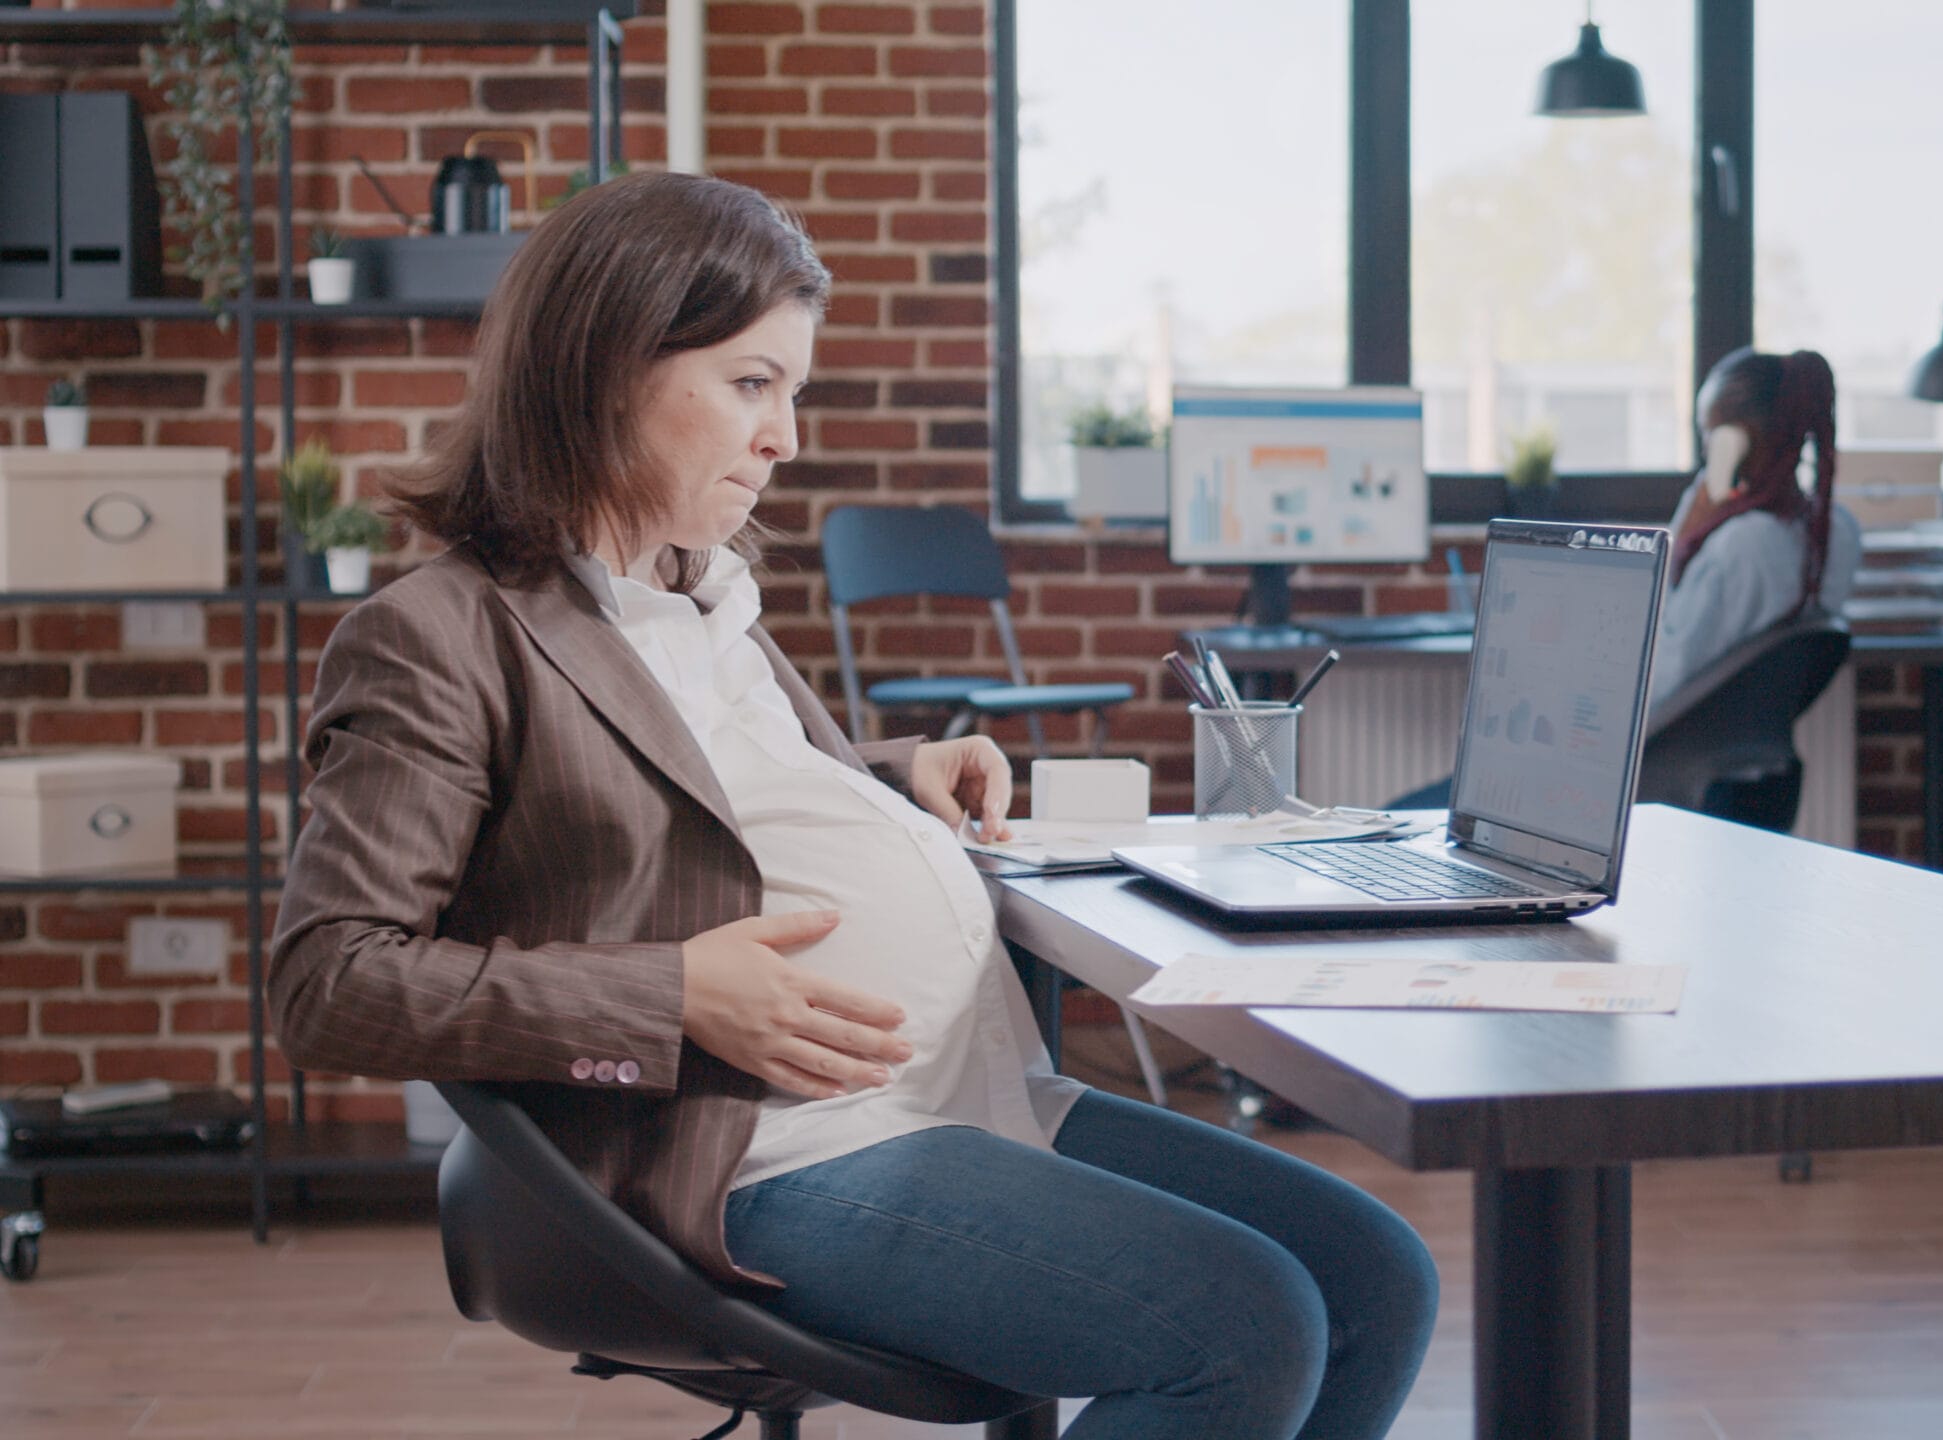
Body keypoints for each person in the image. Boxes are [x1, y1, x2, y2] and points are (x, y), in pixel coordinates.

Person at [268, 173, 1436, 1440]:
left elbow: (694, 790)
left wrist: (886, 779)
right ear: (608, 369)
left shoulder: (699, 592)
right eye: (751, 384)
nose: (784, 437)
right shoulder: (438, 636)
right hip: (756, 1149)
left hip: (966, 1092)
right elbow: (329, 979)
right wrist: (672, 996)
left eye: (794, 393)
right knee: (1243, 1325)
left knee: (1378, 1277)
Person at [1647, 347, 1862, 729]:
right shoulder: (1837, 532)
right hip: (1751, 752)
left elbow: (1660, 676)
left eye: (1709, 436)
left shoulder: (1741, 548)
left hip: (1686, 751)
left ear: (1733, 443)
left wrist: (1686, 534)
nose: (1704, 451)